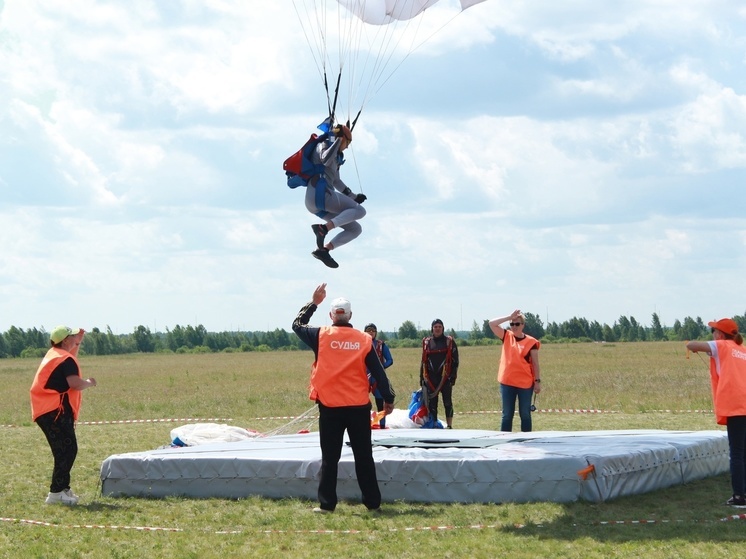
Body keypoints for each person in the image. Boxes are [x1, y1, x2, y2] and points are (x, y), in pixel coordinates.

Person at [292, 283, 395, 513]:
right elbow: (379, 372)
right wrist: (388, 399)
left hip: (330, 408)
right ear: (351, 316)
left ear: (331, 315)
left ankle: (327, 505)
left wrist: (313, 303)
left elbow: (297, 325)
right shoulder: (363, 339)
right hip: (358, 407)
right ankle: (372, 504)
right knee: (364, 457)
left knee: (330, 458)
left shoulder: (320, 335)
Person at [30, 325, 97, 505]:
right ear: (65, 340)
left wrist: (78, 341)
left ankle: (63, 489)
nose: (76, 337)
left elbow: (69, 356)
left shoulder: (55, 354)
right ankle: (56, 493)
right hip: (55, 409)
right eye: (73, 336)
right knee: (65, 450)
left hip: (46, 408)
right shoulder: (65, 359)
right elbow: (74, 383)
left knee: (66, 449)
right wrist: (89, 383)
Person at [686, 318, 746, 508]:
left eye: (713, 331)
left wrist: (701, 347)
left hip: (735, 406)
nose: (712, 334)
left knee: (736, 453)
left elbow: (690, 344)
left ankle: (739, 497)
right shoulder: (742, 351)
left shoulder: (721, 345)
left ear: (720, 334)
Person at [307, 124, 367, 269]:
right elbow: (325, 159)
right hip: (318, 193)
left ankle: (324, 250)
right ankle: (324, 229)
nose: (347, 147)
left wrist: (353, 196)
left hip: (319, 202)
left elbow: (336, 181)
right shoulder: (324, 144)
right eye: (348, 143)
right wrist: (338, 141)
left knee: (355, 229)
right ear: (342, 139)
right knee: (360, 211)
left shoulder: (337, 155)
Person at [489, 310, 541, 433]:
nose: (514, 327)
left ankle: (527, 441)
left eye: (517, 324)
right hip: (507, 383)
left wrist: (537, 381)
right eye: (512, 324)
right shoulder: (506, 336)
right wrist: (509, 317)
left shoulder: (531, 342)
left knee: (525, 414)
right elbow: (491, 323)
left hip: (525, 384)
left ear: (523, 325)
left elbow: (535, 364)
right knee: (507, 415)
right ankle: (505, 442)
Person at [420, 319, 459, 429]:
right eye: (435, 326)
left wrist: (453, 377)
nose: (437, 328)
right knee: (432, 403)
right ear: (432, 328)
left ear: (443, 328)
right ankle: (434, 424)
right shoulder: (427, 342)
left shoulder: (449, 342)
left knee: (447, 402)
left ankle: (449, 425)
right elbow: (423, 361)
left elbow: (455, 361)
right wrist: (421, 378)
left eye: (439, 327)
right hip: (431, 379)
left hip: (446, 378)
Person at [364, 323, 394, 429]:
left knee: (380, 404)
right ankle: (363, 425)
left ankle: (382, 426)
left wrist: (380, 368)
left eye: (373, 330)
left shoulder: (381, 345)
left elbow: (390, 360)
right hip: (364, 377)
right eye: (368, 330)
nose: (371, 332)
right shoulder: (360, 344)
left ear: (376, 333)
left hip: (377, 378)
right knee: (362, 403)